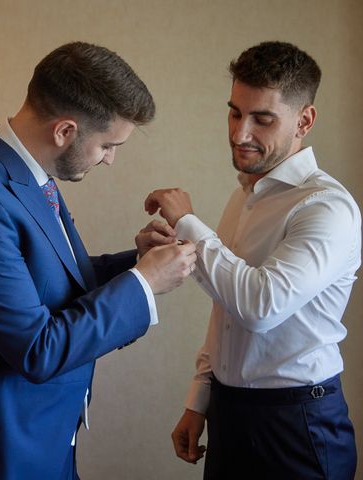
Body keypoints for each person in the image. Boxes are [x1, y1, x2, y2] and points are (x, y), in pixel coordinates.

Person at [0, 41, 197, 479]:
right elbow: (36, 349)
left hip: (44, 440)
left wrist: (137, 261)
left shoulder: (27, 178)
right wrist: (144, 283)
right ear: (65, 131)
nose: (110, 160)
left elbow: (50, 284)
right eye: (108, 145)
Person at [145, 41, 360, 479]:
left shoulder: (326, 207)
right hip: (231, 412)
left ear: (304, 120)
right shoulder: (244, 195)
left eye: (262, 119)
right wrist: (200, 399)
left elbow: (261, 307)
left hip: (297, 424)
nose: (240, 133)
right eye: (235, 112)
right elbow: (227, 306)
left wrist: (188, 222)